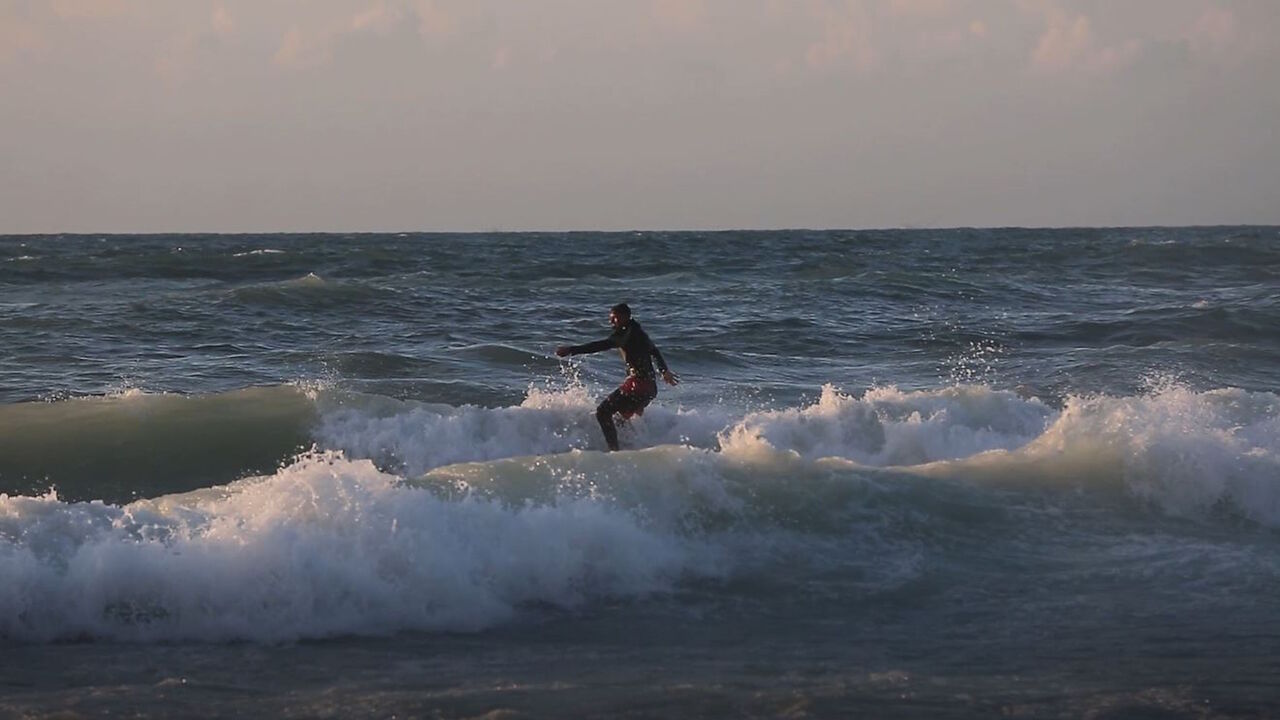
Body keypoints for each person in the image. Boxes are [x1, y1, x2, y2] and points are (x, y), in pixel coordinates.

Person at [555, 303, 679, 451]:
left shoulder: (625, 334)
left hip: (637, 385)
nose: (611, 322)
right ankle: (635, 446)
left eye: (614, 319)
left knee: (603, 412)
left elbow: (601, 345)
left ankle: (614, 451)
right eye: (611, 319)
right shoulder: (639, 332)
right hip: (650, 389)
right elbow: (655, 351)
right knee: (620, 419)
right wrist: (664, 370)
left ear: (625, 317)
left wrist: (571, 350)